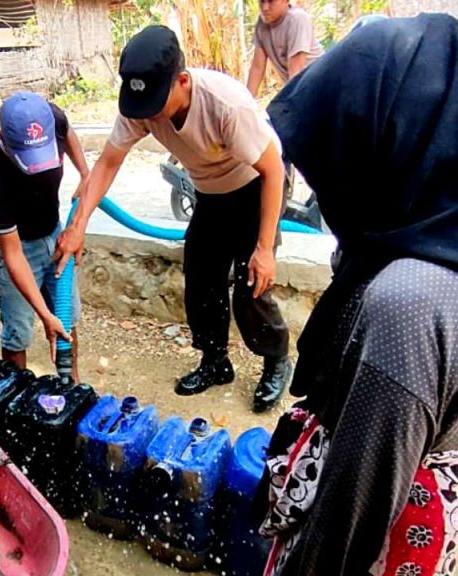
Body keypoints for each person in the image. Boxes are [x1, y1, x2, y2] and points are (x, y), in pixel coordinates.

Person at [254, 15, 458, 574]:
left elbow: (348, 525)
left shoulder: (413, 302)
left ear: (393, 140)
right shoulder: (456, 241)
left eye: (341, 155)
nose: (327, 186)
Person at [56, 25, 291, 412]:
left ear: (182, 81)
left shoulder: (225, 104)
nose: (147, 117)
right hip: (210, 193)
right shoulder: (143, 105)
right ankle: (215, 362)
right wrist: (78, 227)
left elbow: (273, 171)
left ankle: (276, 360)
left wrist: (265, 248)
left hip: (256, 186)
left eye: (154, 104)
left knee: (251, 286)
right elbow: (108, 163)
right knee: (200, 278)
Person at [0, 91, 89, 379]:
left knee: (66, 316)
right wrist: (43, 315)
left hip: (53, 232)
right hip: (17, 246)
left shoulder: (52, 118)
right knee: (19, 330)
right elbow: (12, 254)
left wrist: (86, 175)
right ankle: (15, 396)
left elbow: (68, 132)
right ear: (2, 137)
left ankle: (71, 385)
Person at [246, 0, 324, 95]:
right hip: (300, 89)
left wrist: (289, 105)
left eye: (271, 2)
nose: (265, 8)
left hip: (321, 86)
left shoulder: (297, 19)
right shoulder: (261, 25)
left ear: (286, 1)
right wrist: (246, 102)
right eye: (262, 1)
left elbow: (296, 72)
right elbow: (257, 68)